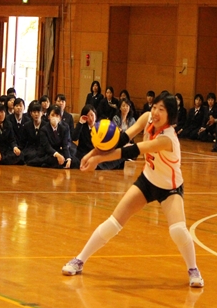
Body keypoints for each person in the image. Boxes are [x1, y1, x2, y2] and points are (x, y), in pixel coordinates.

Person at [61, 92, 204, 287]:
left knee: (178, 230)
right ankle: (79, 260)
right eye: (154, 107)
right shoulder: (146, 119)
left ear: (170, 116)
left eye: (161, 110)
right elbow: (121, 139)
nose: (155, 112)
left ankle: (193, 269)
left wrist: (99, 159)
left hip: (170, 188)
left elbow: (133, 150)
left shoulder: (168, 138)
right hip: (147, 180)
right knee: (114, 221)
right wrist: (91, 153)